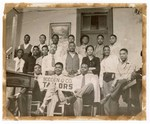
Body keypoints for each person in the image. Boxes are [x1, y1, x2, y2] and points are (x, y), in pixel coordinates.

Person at [100, 48, 135, 115]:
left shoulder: (131, 63)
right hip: (119, 84)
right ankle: (112, 116)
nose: (122, 55)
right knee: (114, 98)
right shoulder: (118, 65)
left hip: (127, 82)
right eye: (120, 54)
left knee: (121, 81)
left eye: (124, 54)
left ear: (127, 54)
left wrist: (119, 79)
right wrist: (113, 85)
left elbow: (128, 76)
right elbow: (117, 76)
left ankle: (109, 95)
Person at [99, 45, 119, 115]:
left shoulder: (114, 58)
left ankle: (113, 116)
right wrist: (101, 85)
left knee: (113, 97)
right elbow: (101, 73)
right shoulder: (102, 61)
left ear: (110, 51)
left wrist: (115, 81)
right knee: (106, 97)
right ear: (103, 51)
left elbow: (117, 69)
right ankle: (107, 115)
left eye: (108, 50)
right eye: (105, 50)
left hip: (113, 78)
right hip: (105, 79)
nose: (106, 51)